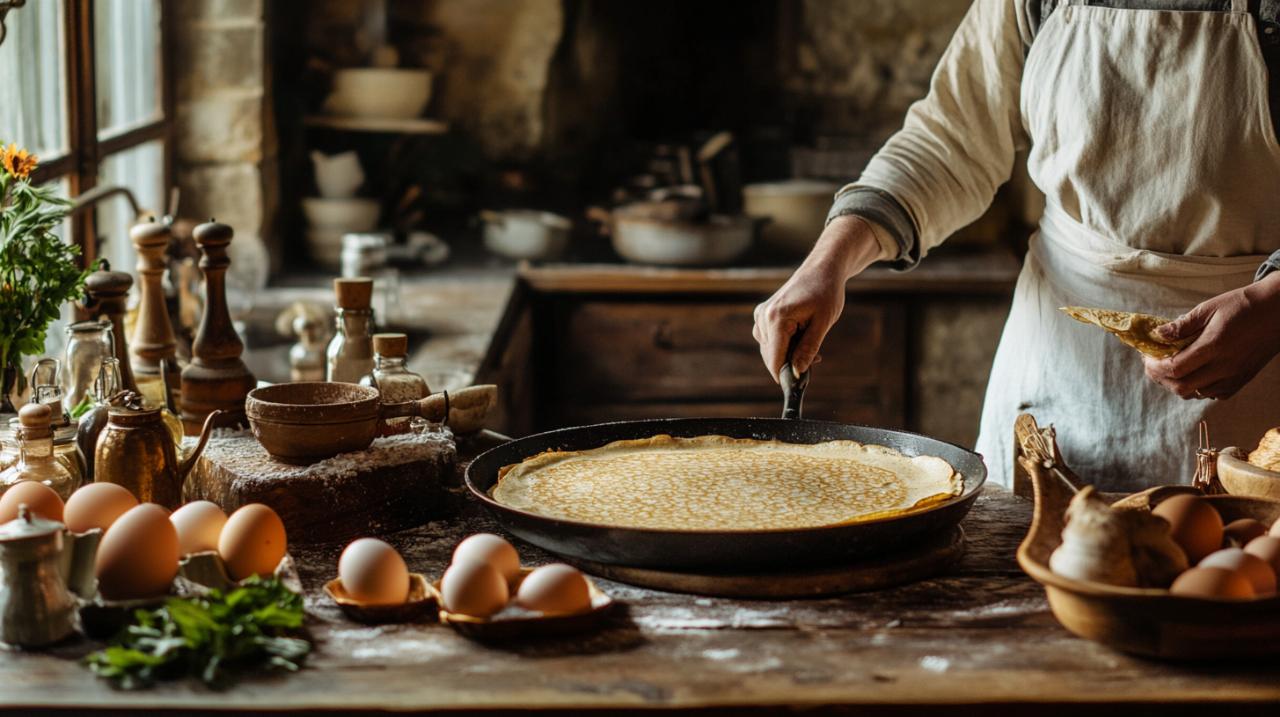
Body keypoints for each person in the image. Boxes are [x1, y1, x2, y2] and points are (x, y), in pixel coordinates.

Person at [753, 0, 1280, 491]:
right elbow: (951, 142)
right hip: (1057, 369)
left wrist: (1273, 306)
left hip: (1253, 379)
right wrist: (829, 262)